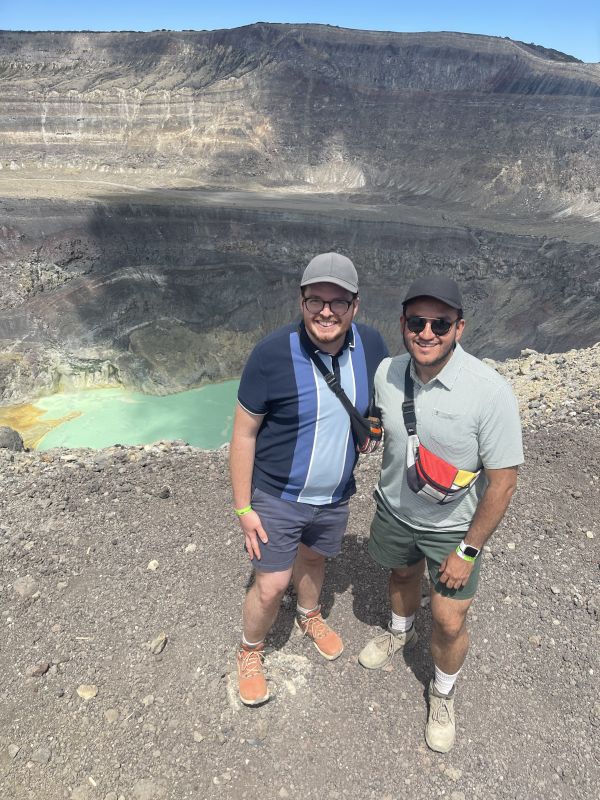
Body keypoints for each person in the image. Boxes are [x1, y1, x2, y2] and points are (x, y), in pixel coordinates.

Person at [358, 275, 523, 752]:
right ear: (403, 324)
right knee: (401, 577)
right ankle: (399, 631)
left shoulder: (489, 392)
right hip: (395, 511)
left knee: (450, 620)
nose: (426, 333)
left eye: (440, 323)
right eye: (416, 322)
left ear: (460, 328)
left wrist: (468, 551)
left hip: (453, 530)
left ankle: (443, 692)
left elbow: (504, 480)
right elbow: (378, 418)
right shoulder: (387, 373)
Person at [230, 252, 388, 706]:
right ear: (300, 302)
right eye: (315, 299)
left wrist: (371, 423)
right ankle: (250, 650)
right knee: (271, 582)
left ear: (355, 306)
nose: (326, 310)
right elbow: (243, 433)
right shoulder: (271, 355)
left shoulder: (372, 345)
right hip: (279, 495)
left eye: (338, 302)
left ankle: (310, 614)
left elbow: (377, 400)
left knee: (315, 561)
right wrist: (244, 508)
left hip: (335, 495)